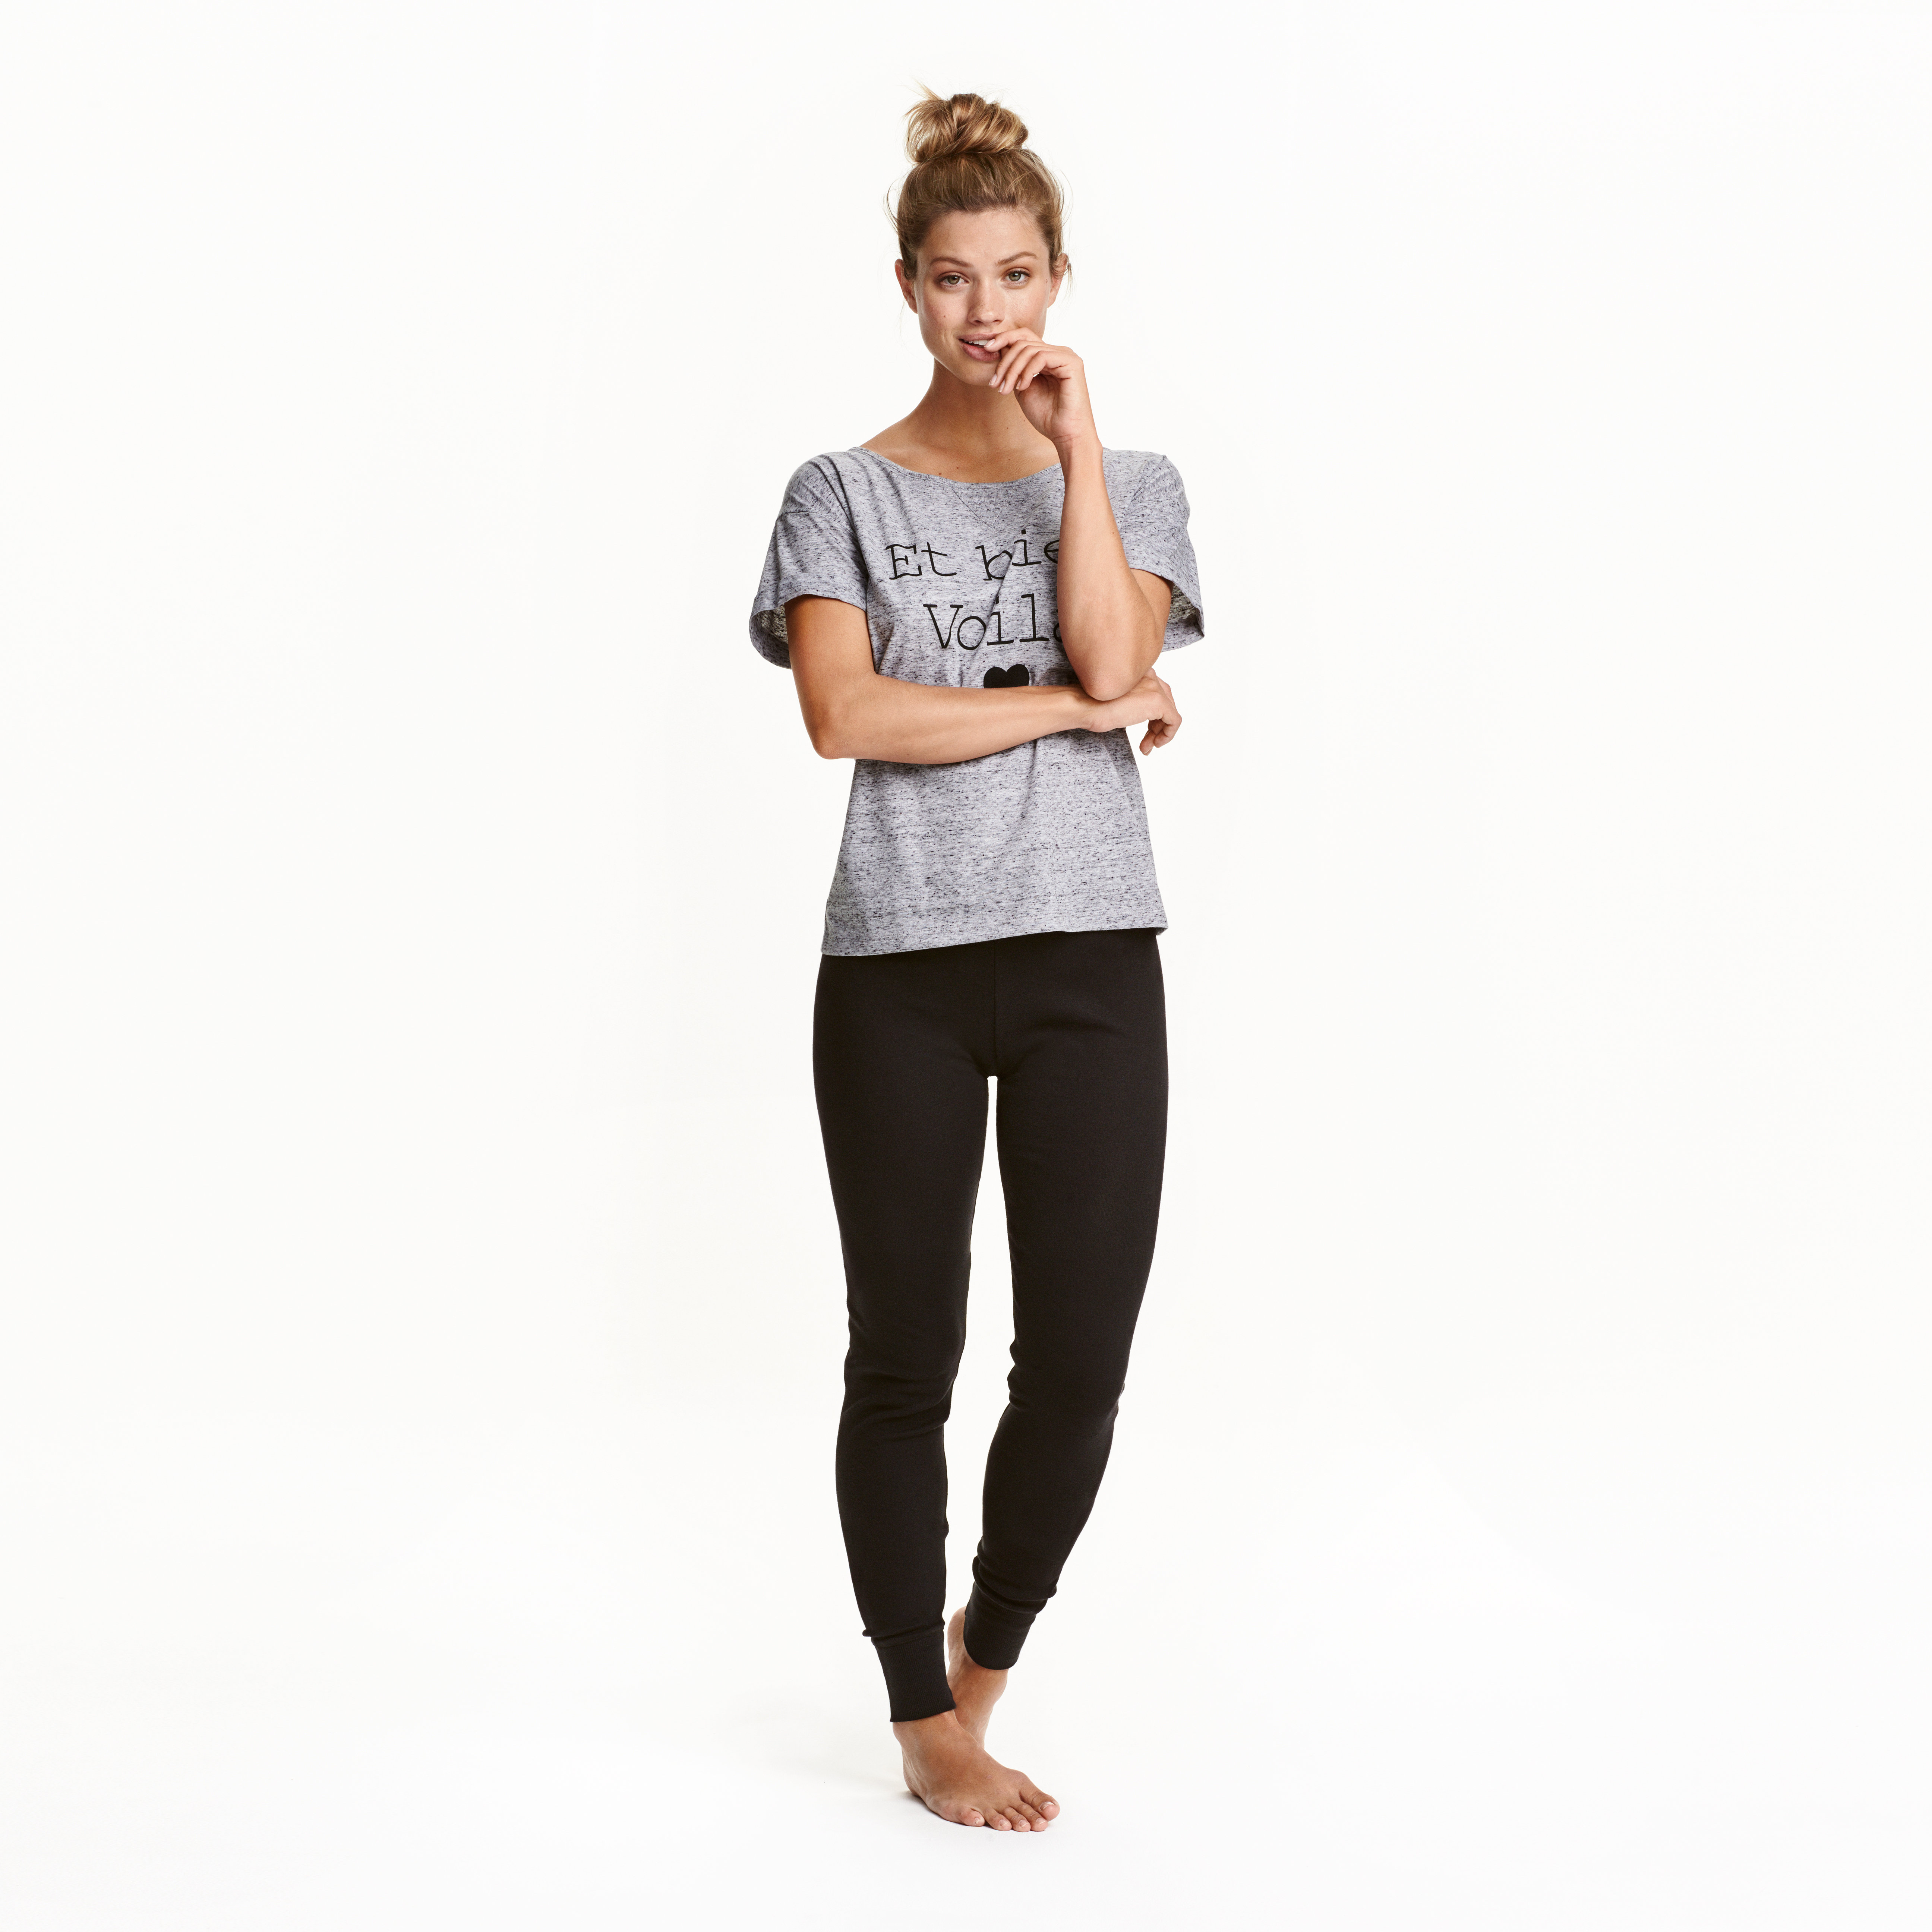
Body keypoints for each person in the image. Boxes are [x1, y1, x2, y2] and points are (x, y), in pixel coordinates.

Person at [748, 88, 1205, 1831]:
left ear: (1058, 277)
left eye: (1016, 275)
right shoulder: (840, 493)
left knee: (1079, 1364)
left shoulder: (1136, 486)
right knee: (905, 1356)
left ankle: (984, 1662)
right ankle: (920, 1718)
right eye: (954, 278)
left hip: (1093, 961)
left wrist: (1077, 457)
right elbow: (843, 716)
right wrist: (1080, 713)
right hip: (901, 967)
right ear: (908, 287)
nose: (987, 310)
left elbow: (1109, 634)